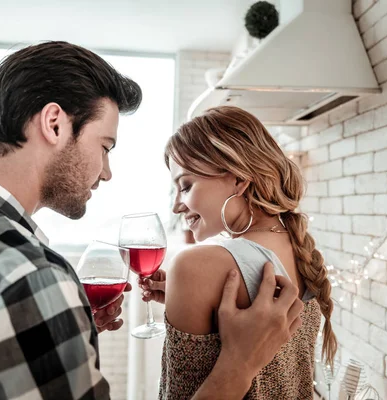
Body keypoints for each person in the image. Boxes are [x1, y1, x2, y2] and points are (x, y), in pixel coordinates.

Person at [0, 41, 304, 400]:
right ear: (54, 123)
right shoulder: (30, 281)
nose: (107, 171)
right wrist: (239, 365)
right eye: (105, 146)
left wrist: (58, 329)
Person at [140, 105, 337, 399]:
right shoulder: (298, 247)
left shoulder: (194, 265)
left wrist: (191, 286)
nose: (176, 206)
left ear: (238, 179)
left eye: (185, 186)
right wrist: (191, 297)